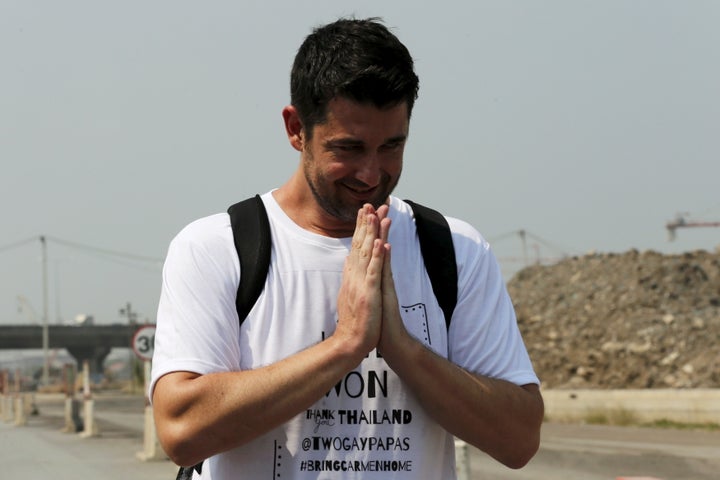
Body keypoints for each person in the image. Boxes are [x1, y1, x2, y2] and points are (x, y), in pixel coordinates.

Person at [150, 17, 543, 479]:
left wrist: (402, 348)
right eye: (349, 149)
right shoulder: (218, 248)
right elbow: (180, 429)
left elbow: (519, 439)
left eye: (392, 146)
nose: (372, 174)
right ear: (296, 129)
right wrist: (345, 346)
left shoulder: (456, 251)